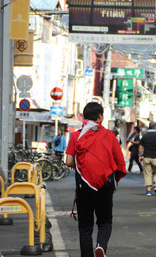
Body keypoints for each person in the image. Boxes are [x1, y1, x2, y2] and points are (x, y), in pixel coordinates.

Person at [65, 102, 127, 257]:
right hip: (104, 185)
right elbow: (118, 160)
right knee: (105, 221)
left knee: (85, 227)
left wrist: (82, 167)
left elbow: (68, 161)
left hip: (83, 186)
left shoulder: (76, 136)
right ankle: (101, 246)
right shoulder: (109, 135)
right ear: (100, 116)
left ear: (84, 117)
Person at [139, 121, 156, 196]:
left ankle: (148, 191)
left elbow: (140, 147)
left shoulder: (144, 135)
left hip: (146, 156)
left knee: (147, 173)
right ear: (155, 127)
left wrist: (140, 155)